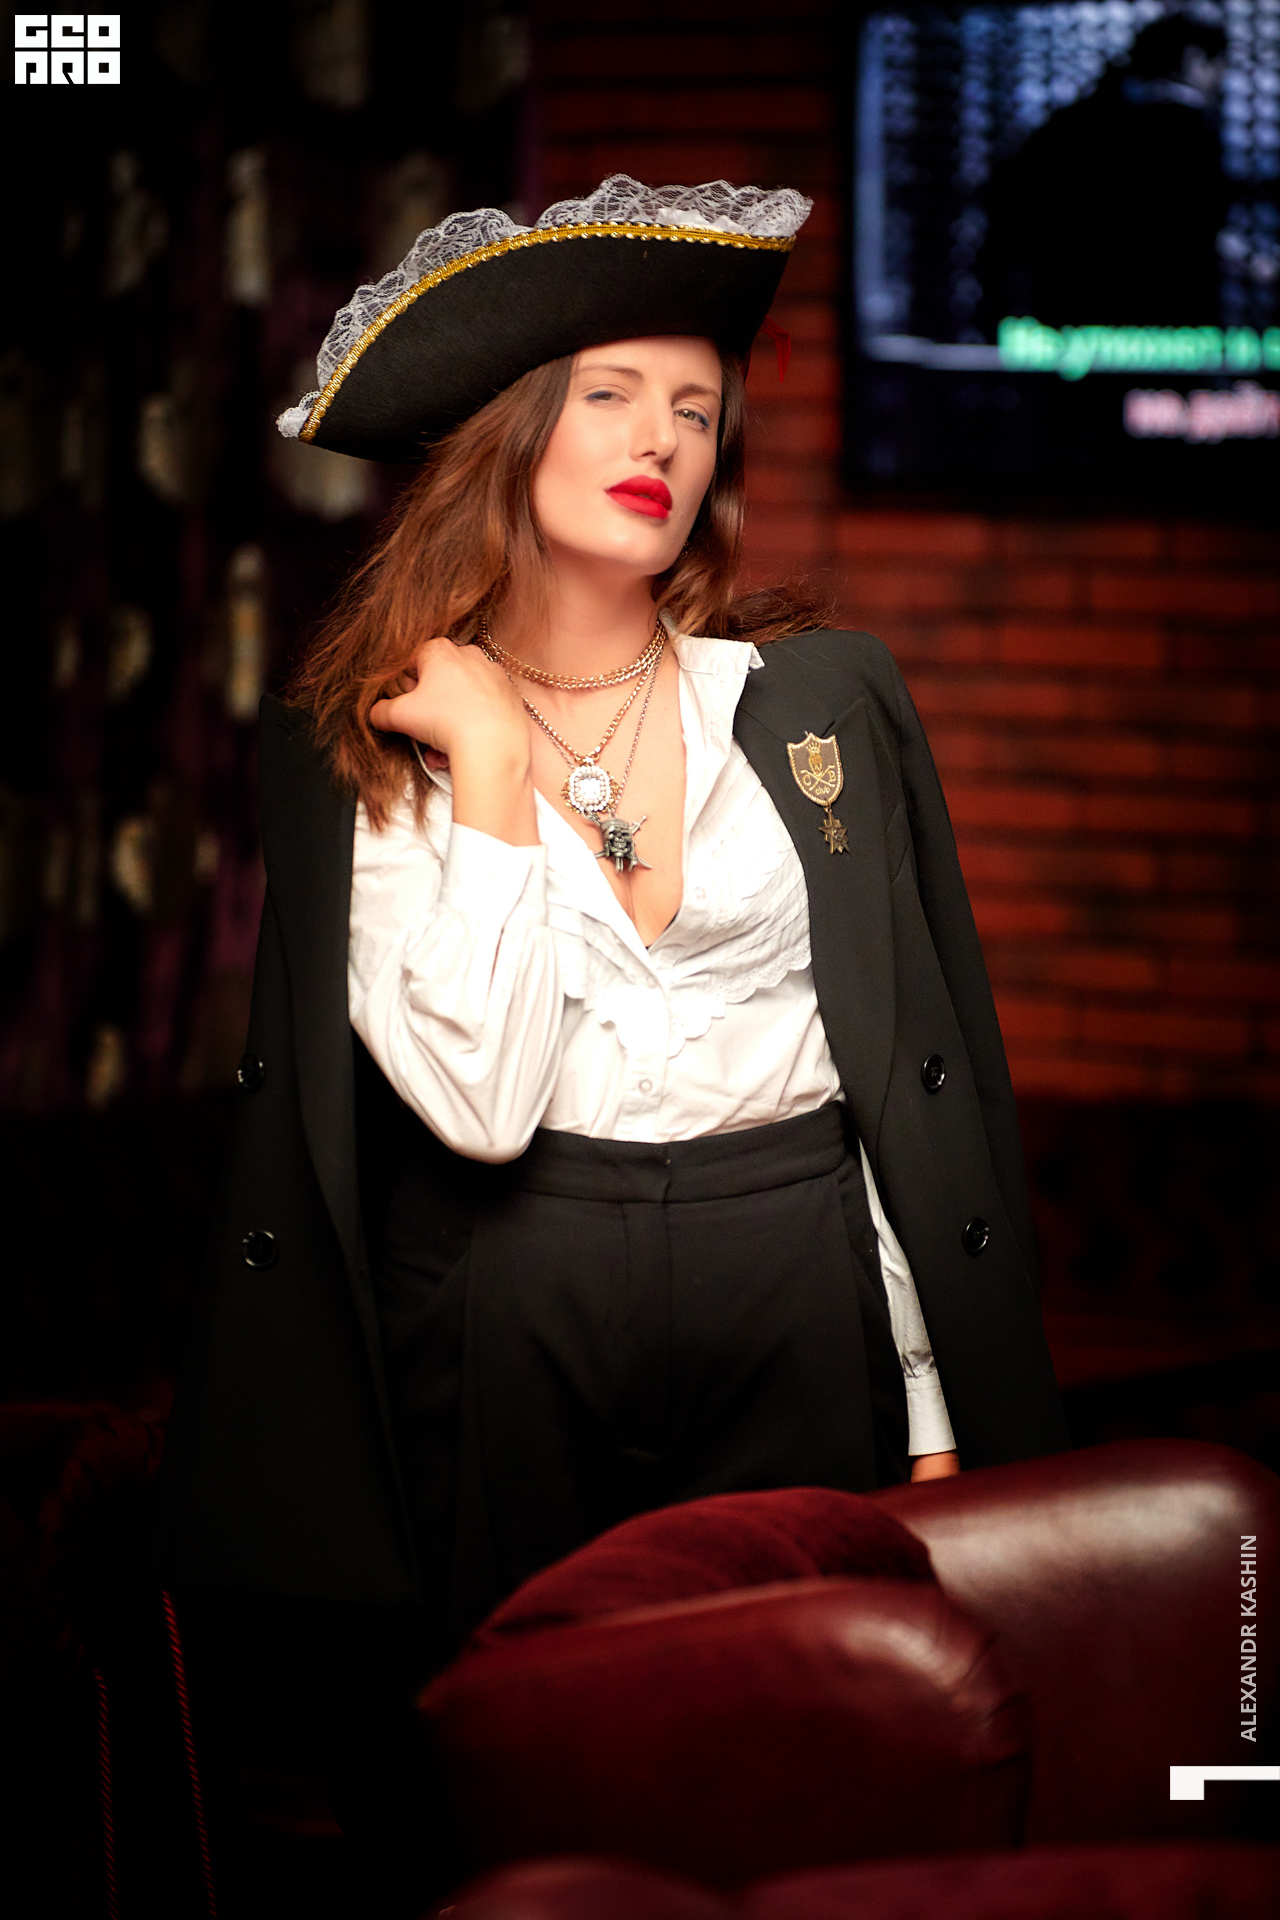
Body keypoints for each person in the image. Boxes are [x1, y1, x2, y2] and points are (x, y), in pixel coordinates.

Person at [154, 173, 1068, 1905]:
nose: (664, 438)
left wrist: (927, 1395)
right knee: (525, 1795)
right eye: (614, 396)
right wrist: (495, 765)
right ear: (510, 435)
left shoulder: (815, 704)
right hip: (509, 1305)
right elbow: (482, 1105)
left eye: (699, 411)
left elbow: (889, 1089)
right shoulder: (376, 749)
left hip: (795, 1282)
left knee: (822, 1781)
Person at [978, 11, 1230, 331]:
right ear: (1193, 59)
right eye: (1220, 65)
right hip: (1161, 317)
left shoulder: (1070, 124)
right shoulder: (1188, 131)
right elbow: (1197, 225)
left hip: (1069, 310)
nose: (1222, 80)